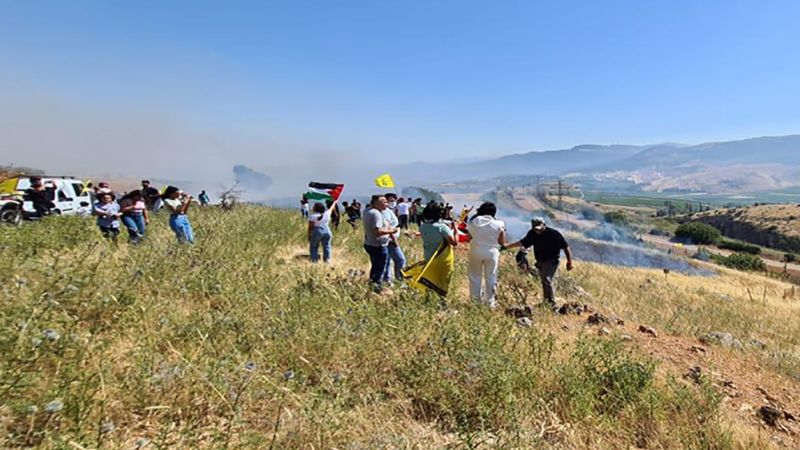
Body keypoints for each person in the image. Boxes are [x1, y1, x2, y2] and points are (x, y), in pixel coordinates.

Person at [505, 217, 574, 309]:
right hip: (540, 261)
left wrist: (569, 262)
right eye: (536, 229)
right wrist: (507, 247)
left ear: (544, 225)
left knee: (547, 279)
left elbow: (566, 247)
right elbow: (523, 242)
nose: (538, 231)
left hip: (551, 260)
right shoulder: (532, 233)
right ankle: (547, 301)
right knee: (544, 281)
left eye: (539, 228)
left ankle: (551, 303)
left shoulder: (554, 234)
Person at [466, 202, 506, 309]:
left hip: (476, 250)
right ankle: (490, 303)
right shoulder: (499, 224)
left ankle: (475, 302)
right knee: (491, 276)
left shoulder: (473, 222)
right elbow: (502, 242)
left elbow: (468, 237)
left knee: (475, 276)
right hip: (492, 252)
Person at [363, 195, 398, 291]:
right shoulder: (376, 214)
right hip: (378, 245)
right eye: (384, 201)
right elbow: (377, 231)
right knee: (380, 268)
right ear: (376, 203)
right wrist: (391, 231)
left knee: (375, 266)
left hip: (369, 243)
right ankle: (377, 288)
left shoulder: (367, 211)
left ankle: (373, 284)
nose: (386, 204)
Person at [381, 193, 406, 283]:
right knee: (399, 260)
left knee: (388, 261)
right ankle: (395, 280)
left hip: (390, 239)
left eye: (394, 200)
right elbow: (388, 227)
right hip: (390, 241)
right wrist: (394, 240)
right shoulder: (385, 212)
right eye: (390, 200)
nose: (393, 202)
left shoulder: (390, 211)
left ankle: (390, 280)